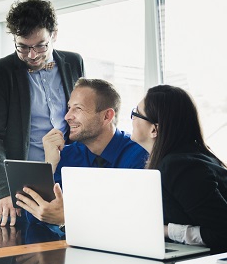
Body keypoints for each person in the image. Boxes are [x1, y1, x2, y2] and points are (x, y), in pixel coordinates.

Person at [0, 0, 84, 227]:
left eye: (40, 45)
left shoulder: (74, 62)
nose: (32, 55)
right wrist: (3, 189)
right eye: (22, 47)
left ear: (54, 34)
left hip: (69, 180)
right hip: (18, 185)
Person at [130, 84, 227, 252]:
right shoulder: (182, 158)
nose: (132, 118)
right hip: (224, 258)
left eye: (136, 113)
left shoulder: (181, 166)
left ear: (154, 129)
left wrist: (165, 230)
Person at [15, 78, 147, 229]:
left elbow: (131, 220)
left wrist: (68, 218)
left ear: (107, 116)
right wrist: (49, 164)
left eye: (78, 109)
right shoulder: (66, 155)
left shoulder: (139, 156)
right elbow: (35, 218)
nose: (67, 116)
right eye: (69, 108)